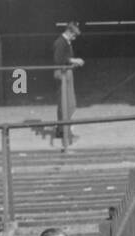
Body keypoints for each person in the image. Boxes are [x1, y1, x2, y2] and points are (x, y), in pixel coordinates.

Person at [52, 21, 84, 149]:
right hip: (63, 73)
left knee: (63, 103)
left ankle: (62, 130)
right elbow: (58, 59)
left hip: (65, 71)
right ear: (69, 32)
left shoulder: (64, 42)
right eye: (74, 35)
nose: (74, 38)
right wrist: (73, 60)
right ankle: (66, 133)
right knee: (69, 104)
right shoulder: (61, 42)